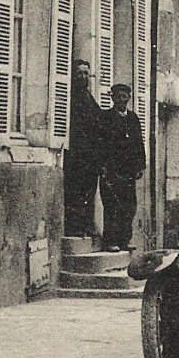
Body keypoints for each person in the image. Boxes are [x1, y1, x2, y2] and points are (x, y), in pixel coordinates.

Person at [100, 84, 146, 252]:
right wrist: (103, 166)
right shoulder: (105, 117)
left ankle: (124, 240)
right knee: (111, 205)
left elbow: (139, 142)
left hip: (128, 170)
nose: (121, 100)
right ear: (112, 98)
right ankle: (110, 241)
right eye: (118, 97)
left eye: (124, 97)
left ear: (129, 98)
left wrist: (140, 165)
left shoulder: (133, 118)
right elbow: (100, 144)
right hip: (111, 169)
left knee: (129, 206)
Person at [65, 60, 103, 237]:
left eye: (86, 73)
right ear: (73, 75)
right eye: (79, 73)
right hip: (77, 155)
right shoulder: (71, 97)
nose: (83, 77)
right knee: (76, 192)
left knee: (88, 192)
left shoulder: (88, 96)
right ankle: (75, 227)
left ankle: (87, 226)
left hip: (90, 156)